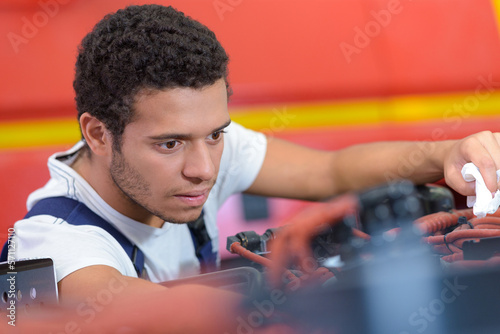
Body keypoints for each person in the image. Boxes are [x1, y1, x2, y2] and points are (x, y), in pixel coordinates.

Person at [8, 3, 500, 333]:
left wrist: (445, 154)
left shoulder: (196, 147)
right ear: (97, 133)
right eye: (170, 143)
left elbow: (331, 171)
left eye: (217, 134)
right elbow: (139, 312)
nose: (203, 168)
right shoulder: (51, 247)